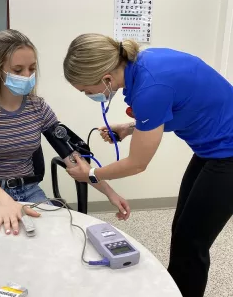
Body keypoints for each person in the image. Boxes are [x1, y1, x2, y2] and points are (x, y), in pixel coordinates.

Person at [63, 33, 233, 297]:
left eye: (87, 91)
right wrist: (131, 128)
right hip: (211, 149)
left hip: (228, 155)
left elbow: (137, 163)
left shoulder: (150, 87)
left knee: (192, 242)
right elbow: (177, 108)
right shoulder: (145, 63)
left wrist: (92, 174)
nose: (88, 95)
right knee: (182, 231)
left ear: (106, 79)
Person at [0, 29, 130, 237]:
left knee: (50, 242)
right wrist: (4, 201)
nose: (27, 76)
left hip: (29, 190)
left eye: (32, 69)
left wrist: (110, 193)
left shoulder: (38, 107)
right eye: (18, 70)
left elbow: (73, 158)